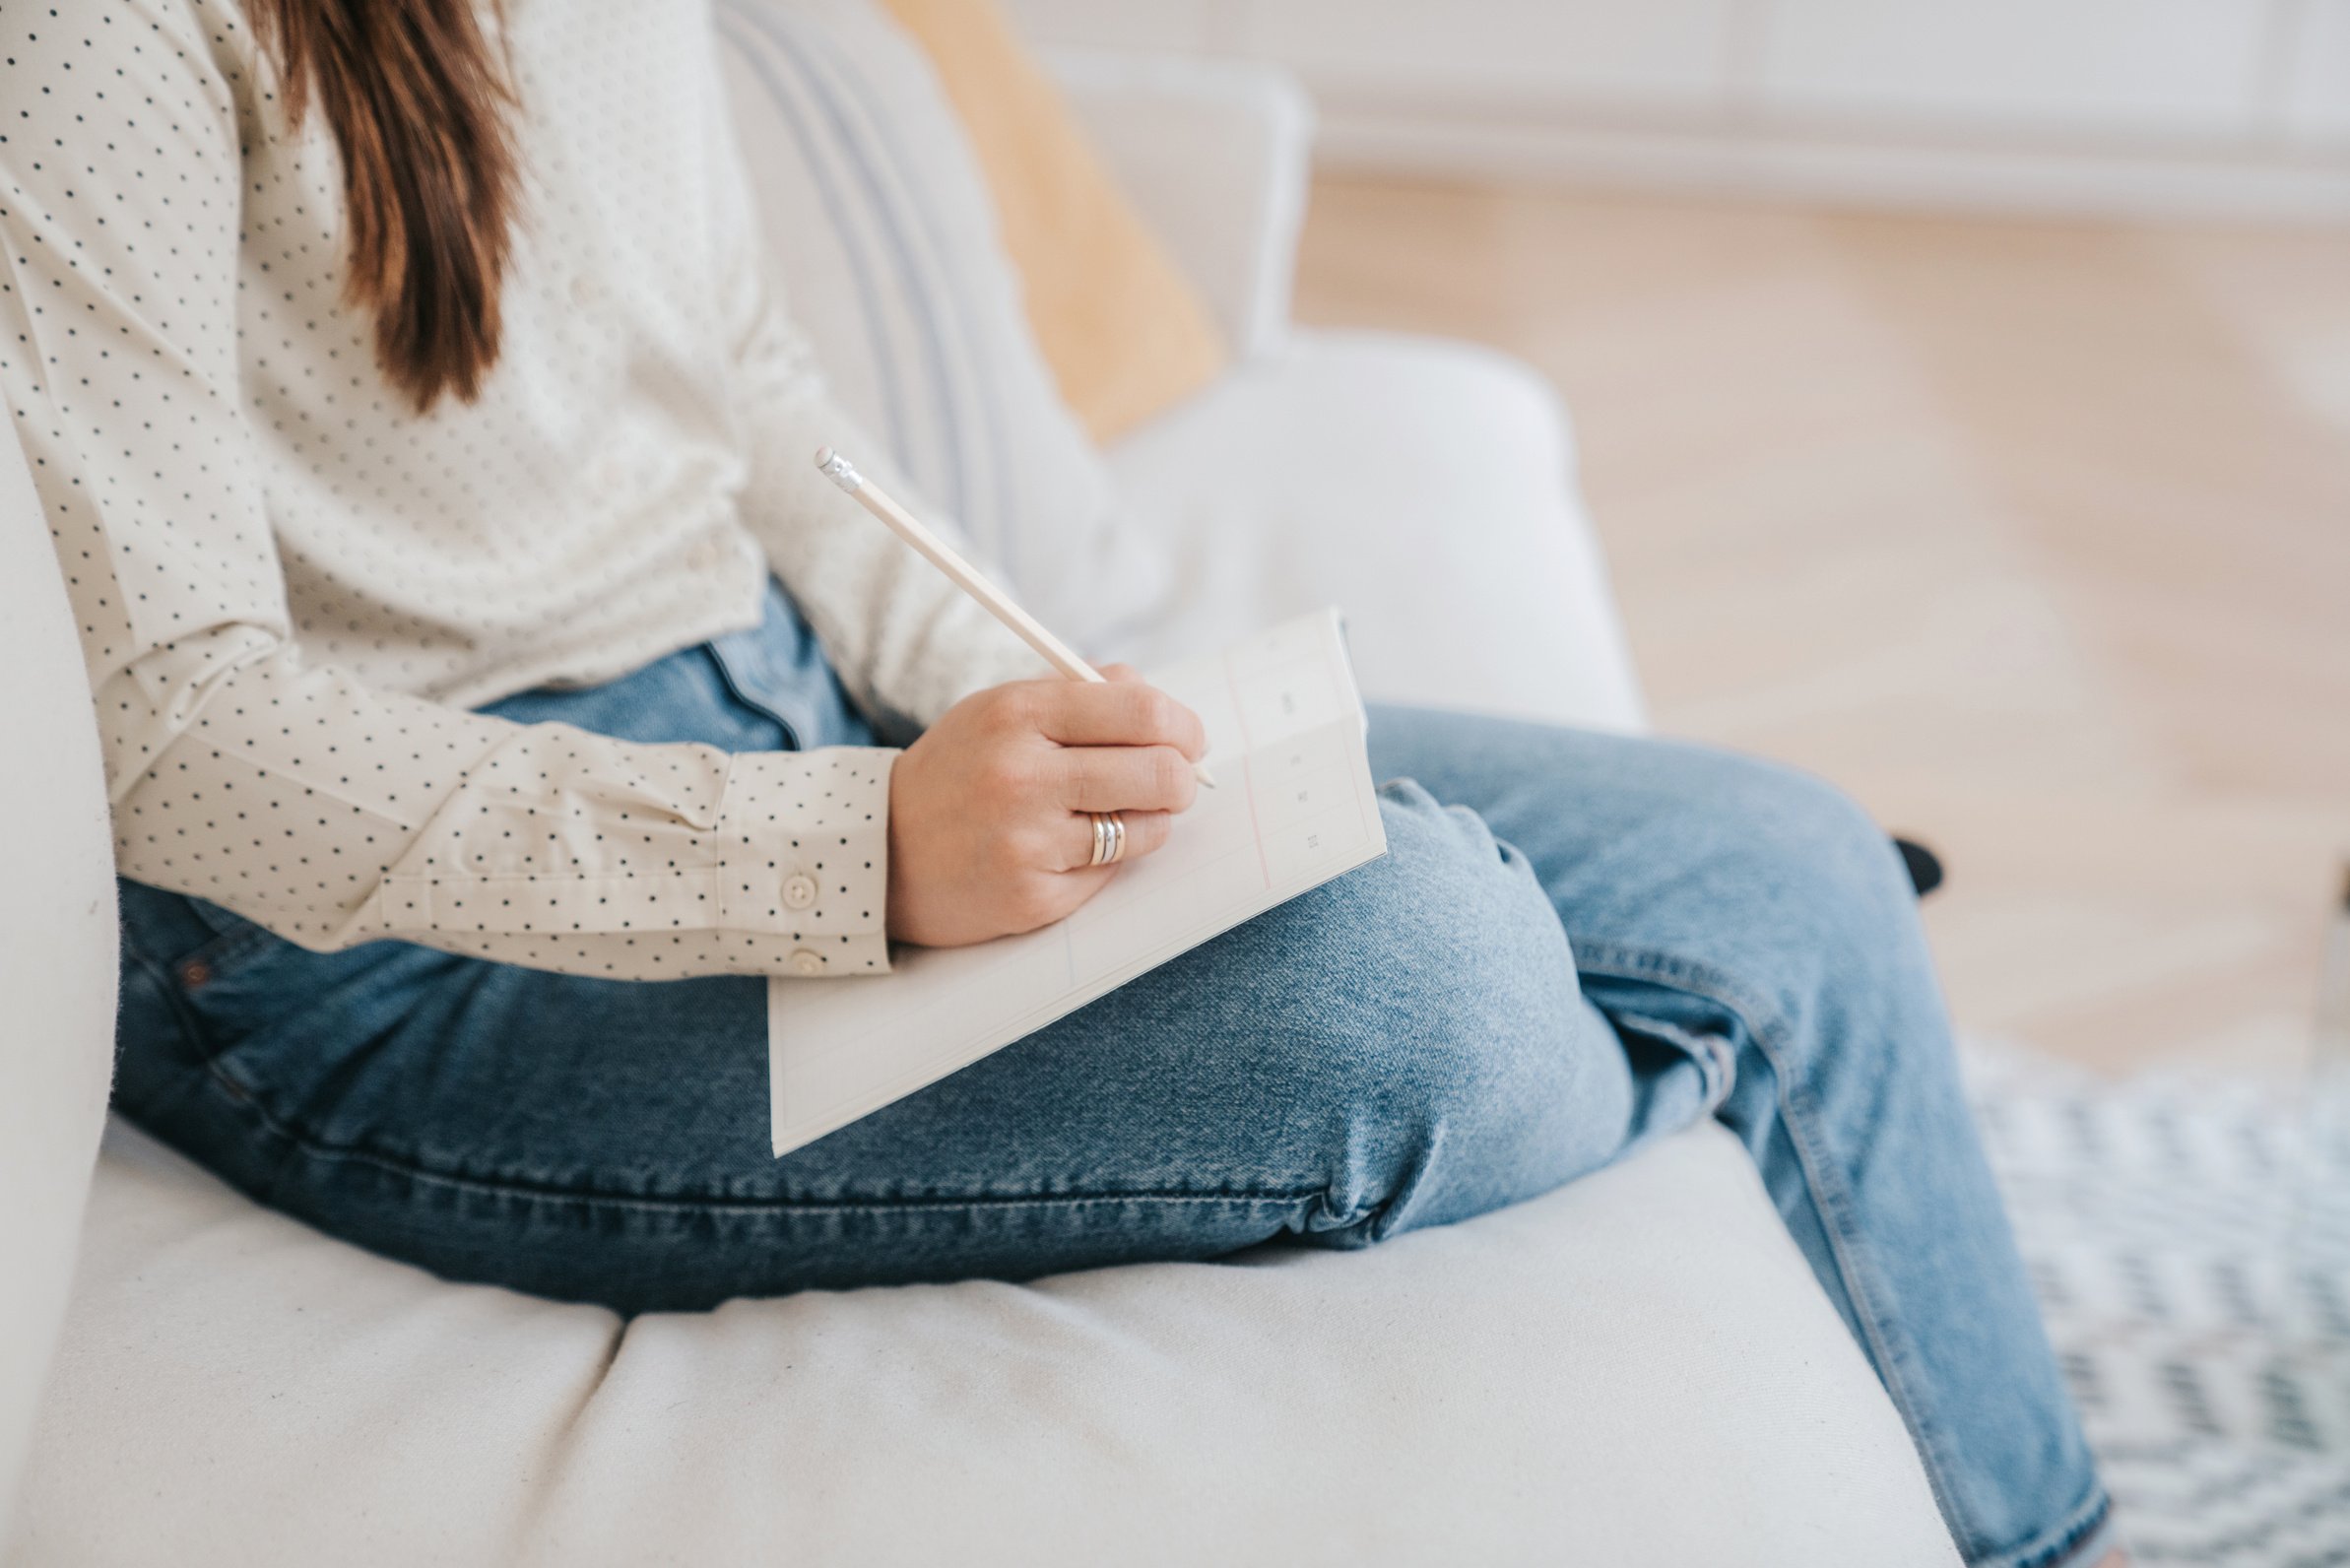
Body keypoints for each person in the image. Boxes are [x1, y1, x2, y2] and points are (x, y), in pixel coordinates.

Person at [0, 2, 2116, 1562]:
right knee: (1424, 977)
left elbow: (749, 394)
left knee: (1793, 869)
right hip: (379, 972)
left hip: (785, 702)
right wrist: (853, 853)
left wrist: (1014, 707)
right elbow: (180, 745)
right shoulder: (90, 32)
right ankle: (1659, 1061)